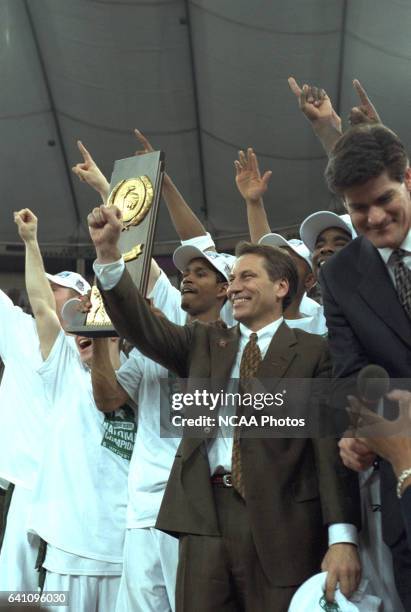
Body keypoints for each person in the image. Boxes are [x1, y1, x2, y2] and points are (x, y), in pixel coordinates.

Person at [88, 203, 361, 612]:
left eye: (246, 276)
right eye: (231, 279)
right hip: (204, 519)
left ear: (281, 287)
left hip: (282, 522)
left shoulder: (313, 352)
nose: (234, 287)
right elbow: (141, 325)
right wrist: (109, 256)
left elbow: (327, 451)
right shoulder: (202, 342)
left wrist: (341, 537)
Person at [91, 247, 231, 612]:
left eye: (202, 273)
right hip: (143, 506)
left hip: (194, 505)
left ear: (224, 289)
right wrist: (101, 334)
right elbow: (108, 400)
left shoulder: (232, 345)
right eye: (186, 272)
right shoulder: (147, 353)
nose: (187, 277)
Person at [14, 208, 132, 612]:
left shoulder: (144, 378)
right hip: (66, 553)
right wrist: (31, 243)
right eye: (79, 325)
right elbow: (43, 306)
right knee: (14, 590)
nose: (84, 331)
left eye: (94, 322)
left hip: (126, 552)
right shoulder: (64, 369)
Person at [318, 122, 411, 608]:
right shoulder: (339, 275)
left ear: (408, 179)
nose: (373, 218)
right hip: (403, 491)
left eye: (383, 199)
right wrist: (364, 426)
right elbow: (351, 373)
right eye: (358, 208)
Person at [0, 270, 91, 592]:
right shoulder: (19, 329)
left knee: (62, 582)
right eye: (47, 286)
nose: (47, 292)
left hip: (75, 486)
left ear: (81, 301)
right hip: (26, 479)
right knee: (15, 581)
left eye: (57, 289)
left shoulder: (95, 350)